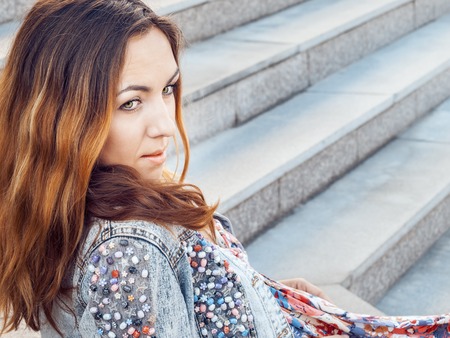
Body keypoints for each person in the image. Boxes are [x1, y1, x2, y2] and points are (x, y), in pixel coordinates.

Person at [0, 0, 448, 337]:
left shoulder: (108, 200)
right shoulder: (125, 254)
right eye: (131, 102)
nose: (165, 127)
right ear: (61, 119)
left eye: (168, 89)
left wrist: (262, 296)